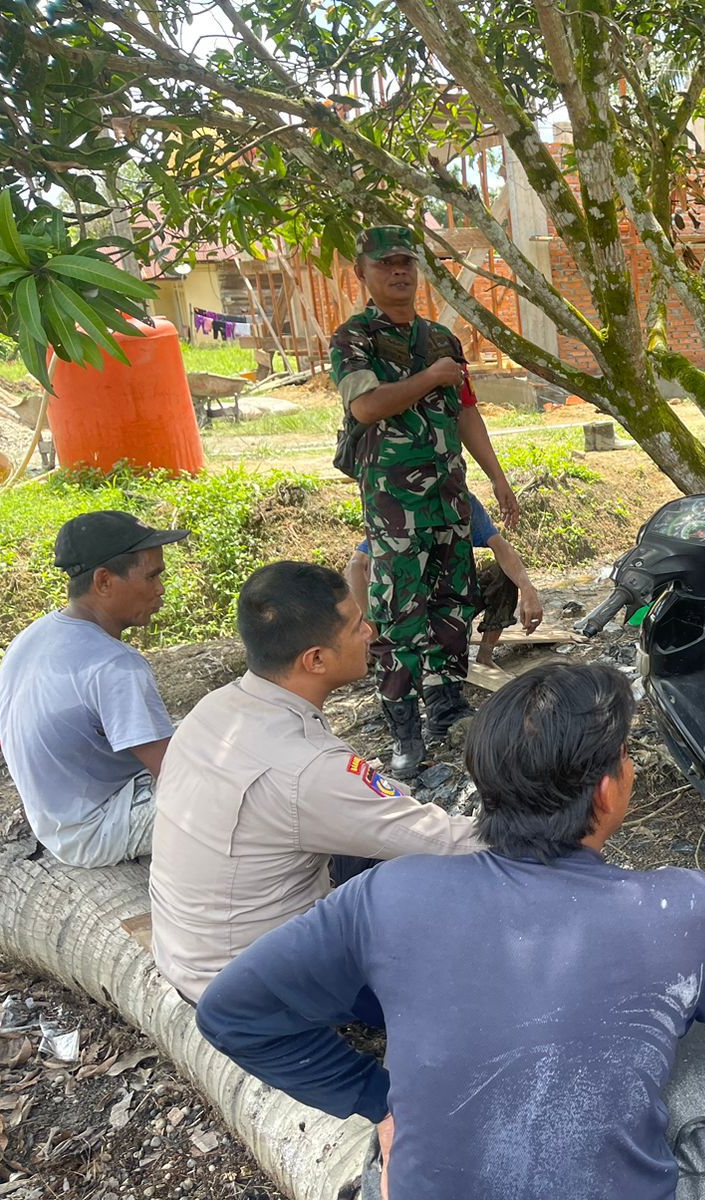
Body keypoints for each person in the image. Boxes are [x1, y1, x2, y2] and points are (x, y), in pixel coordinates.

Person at [196, 661, 705, 1200]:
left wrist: (377, 1099)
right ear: (607, 792)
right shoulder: (680, 908)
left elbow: (231, 1011)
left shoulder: (390, 893)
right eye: (627, 755)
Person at [150, 561, 482, 1004]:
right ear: (316, 659)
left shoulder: (215, 709)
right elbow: (446, 843)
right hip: (250, 984)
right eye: (357, 626)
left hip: (189, 952)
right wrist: (552, 835)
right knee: (448, 909)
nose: (370, 633)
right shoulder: (308, 769)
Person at [331, 224, 521, 776]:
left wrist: (497, 477)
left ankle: (446, 708)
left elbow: (465, 412)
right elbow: (365, 407)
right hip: (395, 509)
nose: (400, 273)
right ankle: (404, 727)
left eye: (407, 263)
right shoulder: (355, 338)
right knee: (397, 616)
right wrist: (429, 377)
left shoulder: (442, 339)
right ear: (362, 273)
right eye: (387, 264)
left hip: (448, 502)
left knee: (452, 608)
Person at [0, 511, 184, 867]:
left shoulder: (32, 636)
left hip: (54, 820)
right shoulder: (115, 664)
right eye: (153, 576)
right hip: (95, 830)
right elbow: (177, 774)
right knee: (239, 798)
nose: (160, 589)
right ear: (104, 581)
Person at [344, 488, 543, 670]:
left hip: (451, 605)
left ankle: (485, 655)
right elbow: (355, 566)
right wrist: (370, 629)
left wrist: (528, 589)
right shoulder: (406, 507)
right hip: (407, 611)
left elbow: (502, 547)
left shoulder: (463, 503)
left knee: (503, 575)